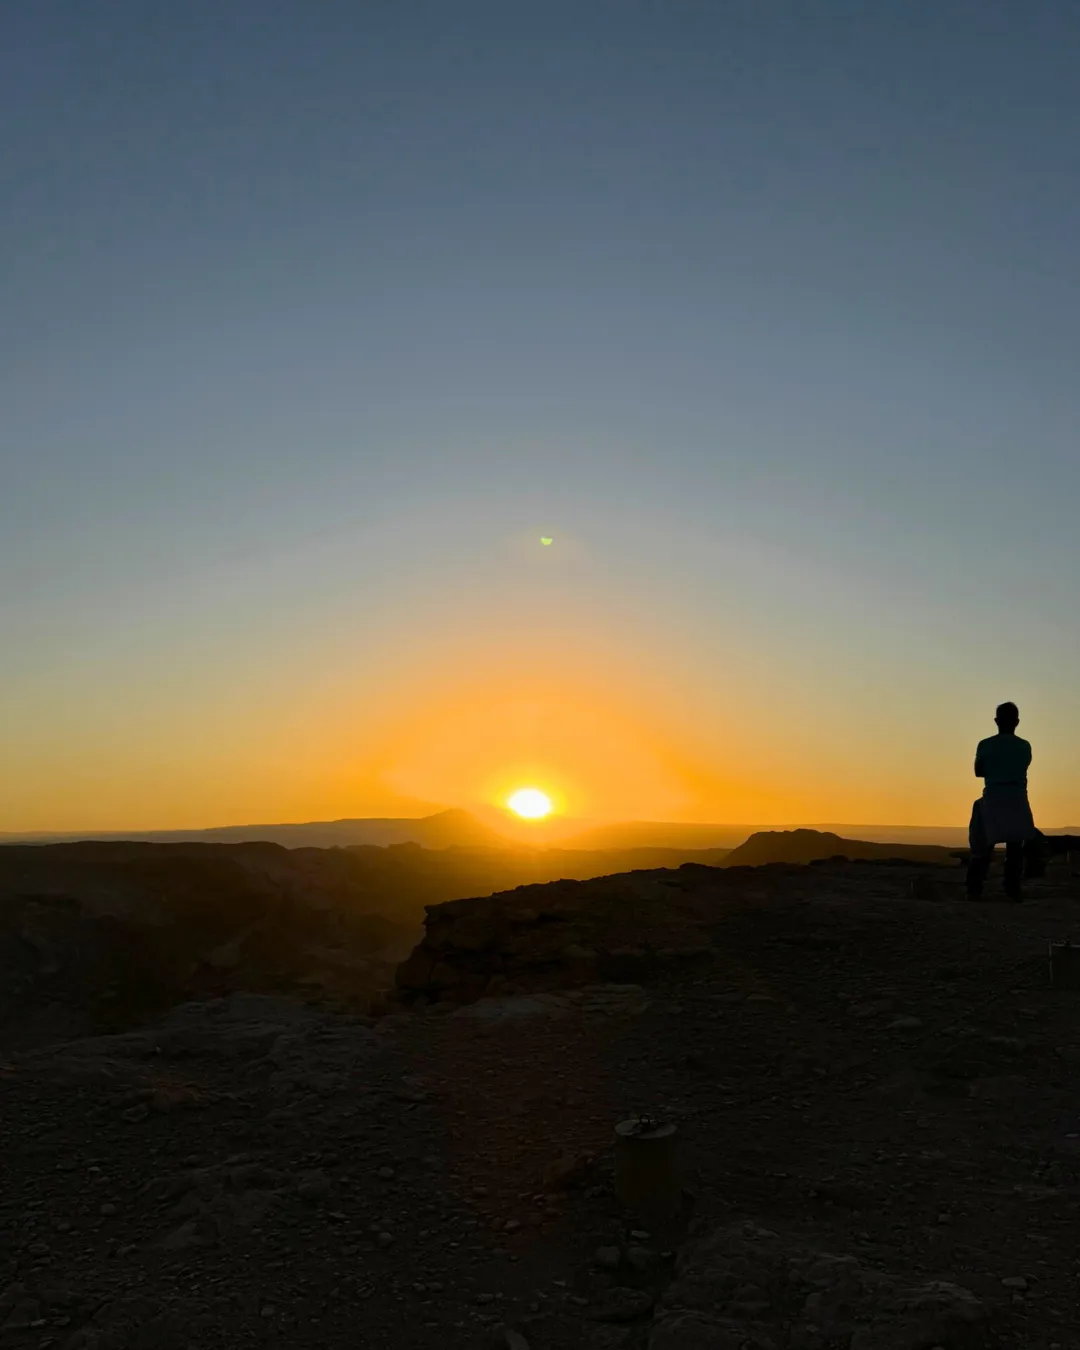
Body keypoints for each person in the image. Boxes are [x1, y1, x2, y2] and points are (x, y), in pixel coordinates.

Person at [966, 702, 1041, 901]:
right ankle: (1012, 887)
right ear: (1017, 722)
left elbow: (978, 771)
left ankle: (975, 888)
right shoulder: (1024, 746)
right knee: (1015, 847)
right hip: (1016, 798)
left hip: (993, 798)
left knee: (983, 845)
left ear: (996, 721)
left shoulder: (985, 745)